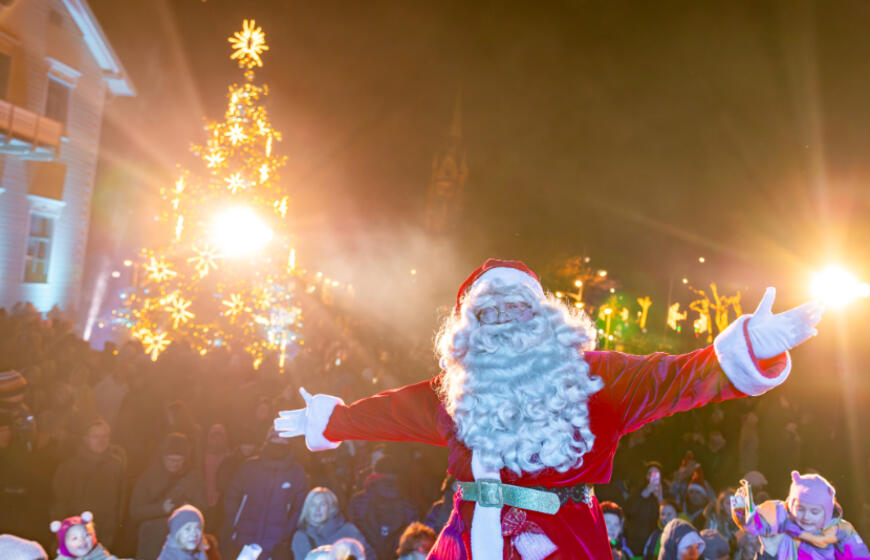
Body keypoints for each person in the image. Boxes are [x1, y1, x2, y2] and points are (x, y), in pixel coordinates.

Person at [275, 259, 823, 559]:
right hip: (469, 543)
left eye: (517, 308)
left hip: (566, 544)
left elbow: (679, 379)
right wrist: (332, 421)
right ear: (472, 328)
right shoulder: (454, 392)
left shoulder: (597, 377)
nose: (506, 320)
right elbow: (387, 413)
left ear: (541, 317)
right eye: (491, 313)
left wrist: (750, 349)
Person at [731, 471, 870, 559]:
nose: (806, 517)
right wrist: (740, 507)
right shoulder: (782, 516)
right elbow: (751, 524)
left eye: (814, 512)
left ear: (826, 511)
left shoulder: (842, 530)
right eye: (800, 509)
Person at [220, 429, 307, 560]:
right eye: (275, 438)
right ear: (268, 440)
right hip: (243, 541)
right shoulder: (250, 467)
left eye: (284, 439)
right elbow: (232, 497)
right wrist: (235, 524)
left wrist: (286, 536)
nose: (279, 442)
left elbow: (299, 508)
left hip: (276, 546)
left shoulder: (297, 473)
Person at [129, 433, 207, 560]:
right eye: (171, 459)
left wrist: (186, 509)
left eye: (179, 460)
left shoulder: (194, 478)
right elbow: (135, 511)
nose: (175, 464)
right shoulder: (149, 477)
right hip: (152, 541)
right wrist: (161, 508)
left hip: (181, 542)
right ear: (163, 457)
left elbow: (202, 508)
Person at [51, 418, 127, 548]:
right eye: (95, 437)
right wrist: (62, 533)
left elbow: (121, 499)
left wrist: (116, 526)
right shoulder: (69, 468)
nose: (101, 441)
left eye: (104, 436)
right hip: (77, 532)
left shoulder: (116, 466)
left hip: (107, 533)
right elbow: (59, 503)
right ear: (85, 439)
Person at [292, 488, 374, 560]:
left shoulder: (349, 531)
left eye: (322, 504)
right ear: (307, 509)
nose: (317, 509)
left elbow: (369, 556)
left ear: (331, 508)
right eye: (313, 505)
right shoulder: (301, 537)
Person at [49, 511, 121, 560]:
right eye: (75, 538)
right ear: (65, 545)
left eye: (87, 535)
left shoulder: (97, 552)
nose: (82, 540)